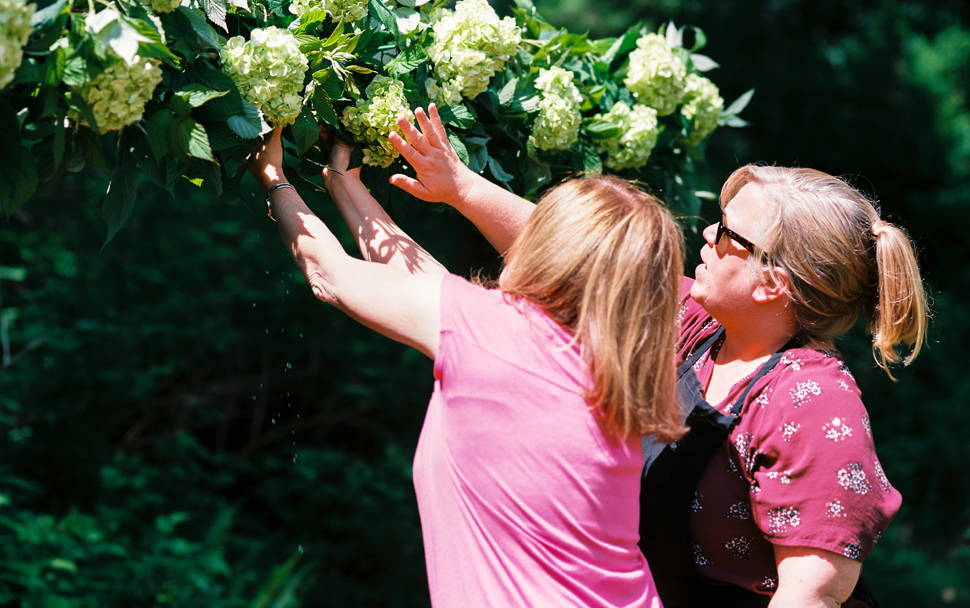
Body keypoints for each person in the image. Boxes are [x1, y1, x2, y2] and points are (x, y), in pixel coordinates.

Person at [385, 105, 929, 608]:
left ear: (772, 283)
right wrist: (458, 186)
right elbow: (586, 258)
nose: (706, 235)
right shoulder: (698, 327)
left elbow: (811, 596)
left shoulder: (813, 402)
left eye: (727, 236)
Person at [247, 121, 688, 607]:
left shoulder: (489, 333)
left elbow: (331, 274)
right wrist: (342, 182)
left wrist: (273, 177)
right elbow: (420, 280)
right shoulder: (613, 369)